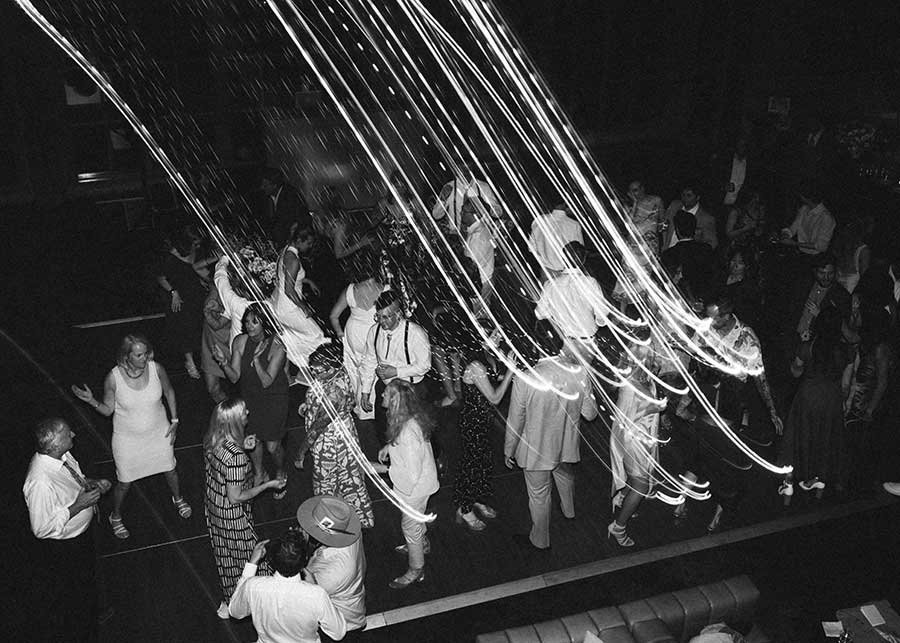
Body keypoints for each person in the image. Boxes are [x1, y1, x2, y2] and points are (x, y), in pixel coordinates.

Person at [72, 334, 191, 539]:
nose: (144, 359)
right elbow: (108, 411)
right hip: (127, 440)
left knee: (170, 469)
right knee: (125, 482)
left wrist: (175, 420)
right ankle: (115, 516)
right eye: (138, 355)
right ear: (126, 356)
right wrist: (91, 400)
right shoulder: (114, 378)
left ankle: (177, 498)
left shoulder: (156, 368)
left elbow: (169, 392)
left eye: (146, 353)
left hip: (158, 433)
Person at [503, 325, 598, 550]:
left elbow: (515, 421)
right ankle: (569, 511)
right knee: (564, 475)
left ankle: (540, 540)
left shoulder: (525, 378)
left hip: (535, 449)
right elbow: (590, 413)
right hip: (565, 443)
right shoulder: (580, 372)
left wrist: (509, 449)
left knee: (539, 495)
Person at [23, 418, 112, 642]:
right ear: (53, 444)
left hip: (81, 537)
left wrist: (93, 484)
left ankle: (92, 612)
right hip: (65, 547)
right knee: (74, 592)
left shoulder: (62, 457)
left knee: (87, 580)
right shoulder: (40, 482)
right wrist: (79, 506)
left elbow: (75, 482)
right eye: (66, 434)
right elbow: (42, 528)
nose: (73, 434)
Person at [203, 399, 286, 618]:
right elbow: (237, 496)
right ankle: (254, 600)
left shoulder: (213, 439)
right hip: (232, 514)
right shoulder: (236, 459)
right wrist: (268, 485)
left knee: (226, 554)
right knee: (250, 554)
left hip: (214, 505)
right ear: (233, 421)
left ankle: (230, 597)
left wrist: (242, 445)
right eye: (244, 412)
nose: (248, 412)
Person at [294, 343, 375, 528]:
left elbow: (317, 428)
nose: (314, 373)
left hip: (331, 441)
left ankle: (331, 522)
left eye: (318, 370)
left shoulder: (335, 393)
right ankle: (350, 515)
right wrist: (309, 407)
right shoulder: (335, 373)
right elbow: (320, 401)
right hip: (340, 432)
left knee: (327, 480)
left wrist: (300, 452)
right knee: (348, 475)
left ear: (332, 368)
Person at [214, 303, 289, 495]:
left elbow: (267, 381)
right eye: (247, 321)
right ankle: (259, 472)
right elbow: (234, 377)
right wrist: (223, 363)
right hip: (250, 397)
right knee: (252, 440)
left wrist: (256, 360)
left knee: (272, 446)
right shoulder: (240, 341)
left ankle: (280, 472)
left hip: (274, 398)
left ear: (265, 323)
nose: (249, 325)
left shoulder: (278, 344)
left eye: (254, 322)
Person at [372, 379, 439, 589]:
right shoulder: (410, 418)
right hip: (425, 482)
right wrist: (388, 447)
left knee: (409, 527)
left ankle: (415, 568)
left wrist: (379, 468)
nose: (381, 396)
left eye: (385, 394)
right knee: (415, 523)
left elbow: (410, 475)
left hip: (415, 490)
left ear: (395, 401)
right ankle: (423, 542)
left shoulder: (406, 433)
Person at [776, 308, 846, 502]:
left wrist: (799, 347)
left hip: (808, 396)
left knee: (796, 438)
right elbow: (845, 382)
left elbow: (796, 372)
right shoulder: (843, 350)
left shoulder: (808, 347)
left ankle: (788, 485)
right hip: (831, 397)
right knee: (824, 437)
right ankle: (819, 481)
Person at [453, 320, 516, 531]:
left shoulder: (487, 357)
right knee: (471, 465)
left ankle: (475, 500)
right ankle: (464, 508)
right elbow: (495, 397)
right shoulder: (476, 365)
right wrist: (510, 371)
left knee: (481, 464)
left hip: (482, 420)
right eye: (495, 335)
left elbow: (494, 377)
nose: (500, 339)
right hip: (472, 421)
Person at [229, 530, 347, 642]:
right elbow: (338, 633)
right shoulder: (317, 595)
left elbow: (235, 612)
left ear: (270, 560)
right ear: (304, 561)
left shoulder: (253, 586)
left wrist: (252, 563)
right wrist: (315, 585)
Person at [609, 333, 667, 547]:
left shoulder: (640, 374)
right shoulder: (632, 380)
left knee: (638, 480)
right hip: (635, 437)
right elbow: (637, 412)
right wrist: (658, 405)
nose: (656, 355)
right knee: (641, 485)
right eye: (652, 352)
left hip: (642, 434)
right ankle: (618, 527)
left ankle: (623, 499)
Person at [359, 290, 432, 442]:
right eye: (378, 316)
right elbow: (369, 361)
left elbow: (425, 365)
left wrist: (396, 371)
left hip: (411, 390)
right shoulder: (374, 331)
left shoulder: (415, 333)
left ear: (398, 314)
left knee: (417, 432)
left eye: (386, 317)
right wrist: (365, 391)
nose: (381, 321)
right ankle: (388, 460)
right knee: (384, 429)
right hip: (386, 389)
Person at [298, 495, 367, 640]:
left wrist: (299, 549)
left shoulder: (335, 571)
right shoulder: (349, 533)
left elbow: (305, 593)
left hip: (341, 625)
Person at [329, 261, 387, 420]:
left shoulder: (349, 290)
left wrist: (341, 334)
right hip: (374, 335)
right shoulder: (386, 290)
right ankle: (373, 408)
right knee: (373, 370)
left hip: (354, 334)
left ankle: (360, 407)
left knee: (355, 371)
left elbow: (333, 316)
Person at [272, 226, 328, 371]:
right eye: (308, 243)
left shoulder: (285, 251)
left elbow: (287, 276)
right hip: (288, 307)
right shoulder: (294, 260)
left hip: (280, 303)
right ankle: (313, 369)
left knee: (296, 337)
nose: (309, 247)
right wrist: (304, 307)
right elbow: (289, 289)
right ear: (298, 240)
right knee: (316, 335)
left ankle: (298, 367)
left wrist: (308, 281)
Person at [537, 241, 613, 343]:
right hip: (588, 340)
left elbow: (540, 313)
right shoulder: (590, 282)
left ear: (562, 259)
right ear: (583, 259)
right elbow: (602, 314)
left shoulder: (550, 285)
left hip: (566, 341)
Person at [156, 225, 206, 379]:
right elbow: (160, 277)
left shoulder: (192, 251)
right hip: (179, 297)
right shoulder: (169, 256)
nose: (197, 245)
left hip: (194, 295)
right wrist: (173, 292)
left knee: (197, 326)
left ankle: (201, 359)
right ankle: (189, 362)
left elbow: (192, 267)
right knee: (184, 329)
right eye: (195, 242)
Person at [660, 210, 717, 302]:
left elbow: (664, 283)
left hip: (678, 301)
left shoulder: (669, 254)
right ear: (694, 230)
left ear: (677, 230)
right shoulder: (706, 249)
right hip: (703, 300)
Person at [260, 166, 312, 247]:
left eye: (265, 185)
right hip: (278, 243)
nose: (262, 187)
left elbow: (302, 219)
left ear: (275, 185)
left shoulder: (291, 195)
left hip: (293, 243)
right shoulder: (265, 198)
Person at [779, 184, 835, 257]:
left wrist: (794, 243)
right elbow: (794, 227)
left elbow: (821, 246)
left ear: (806, 198)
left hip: (817, 257)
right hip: (801, 252)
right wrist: (785, 235)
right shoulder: (804, 209)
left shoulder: (826, 218)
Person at [529, 204, 584, 274]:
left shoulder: (539, 221)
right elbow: (579, 253)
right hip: (567, 273)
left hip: (546, 271)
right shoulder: (574, 225)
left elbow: (531, 248)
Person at [200, 285, 232, 403]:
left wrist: (219, 309)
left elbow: (218, 324)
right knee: (212, 388)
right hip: (211, 344)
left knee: (242, 385)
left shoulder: (235, 291)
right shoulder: (215, 283)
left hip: (230, 341)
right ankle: (228, 415)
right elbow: (197, 267)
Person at [662, 184, 718, 250]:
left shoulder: (706, 219)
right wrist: (664, 242)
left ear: (697, 197)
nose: (685, 198)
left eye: (689, 196)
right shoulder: (674, 206)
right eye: (683, 195)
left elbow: (712, 243)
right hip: (668, 251)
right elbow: (664, 224)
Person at [833, 217, 873, 295]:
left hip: (848, 290)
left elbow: (865, 279)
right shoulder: (840, 247)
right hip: (843, 290)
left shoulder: (862, 250)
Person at [626, 180, 664, 256]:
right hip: (634, 244)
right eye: (631, 191)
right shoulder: (629, 205)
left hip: (651, 243)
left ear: (642, 189)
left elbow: (662, 221)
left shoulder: (656, 201)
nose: (633, 194)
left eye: (635, 190)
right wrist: (635, 203)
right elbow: (628, 223)